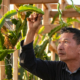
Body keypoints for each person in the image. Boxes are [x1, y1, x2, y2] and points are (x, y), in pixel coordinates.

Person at [19, 13, 80, 80]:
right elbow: (27, 62)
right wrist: (31, 30)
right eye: (59, 42)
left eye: (65, 42)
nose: (60, 47)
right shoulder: (55, 69)